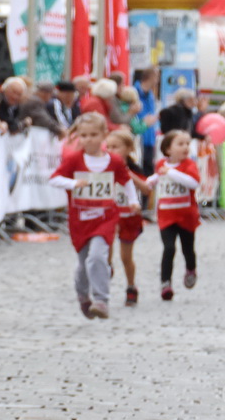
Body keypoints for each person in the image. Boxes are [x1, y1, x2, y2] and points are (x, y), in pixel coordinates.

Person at [48, 112, 132, 320]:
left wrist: (134, 201)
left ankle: (102, 300)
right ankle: (82, 294)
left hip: (105, 218)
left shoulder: (113, 161)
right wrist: (73, 183)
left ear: (104, 135)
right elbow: (54, 179)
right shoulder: (74, 159)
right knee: (84, 262)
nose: (89, 139)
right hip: (80, 219)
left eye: (94, 134)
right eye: (84, 135)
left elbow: (126, 180)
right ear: (78, 137)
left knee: (97, 258)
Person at [149, 129, 201, 300]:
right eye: (180, 144)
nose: (186, 147)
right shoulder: (161, 165)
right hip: (166, 215)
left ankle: (191, 268)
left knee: (188, 249)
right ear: (168, 149)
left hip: (186, 216)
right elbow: (157, 178)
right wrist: (150, 181)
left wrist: (170, 173)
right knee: (169, 248)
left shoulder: (189, 165)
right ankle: (165, 283)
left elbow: (193, 183)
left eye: (188, 143)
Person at [105, 128, 149, 307]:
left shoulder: (133, 169)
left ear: (129, 149)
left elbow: (147, 189)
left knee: (126, 257)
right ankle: (106, 269)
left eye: (116, 147)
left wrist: (127, 174)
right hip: (109, 216)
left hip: (129, 217)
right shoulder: (103, 168)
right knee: (105, 249)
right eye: (108, 147)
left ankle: (131, 287)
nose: (111, 150)